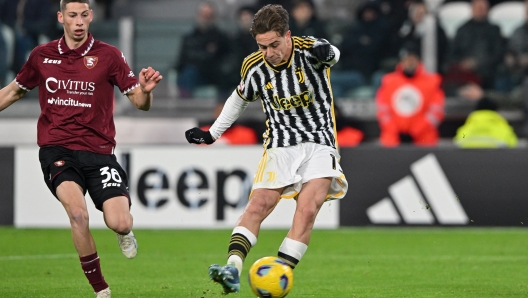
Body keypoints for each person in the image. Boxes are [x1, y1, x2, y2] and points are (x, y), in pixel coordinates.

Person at [0, 1, 162, 297]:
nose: (78, 22)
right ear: (61, 17)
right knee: (78, 214)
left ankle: (125, 233)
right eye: (72, 15)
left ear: (91, 16)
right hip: (57, 149)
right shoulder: (41, 56)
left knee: (119, 221)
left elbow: (139, 103)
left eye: (83, 15)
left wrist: (146, 93)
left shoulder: (109, 55)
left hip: (99, 152)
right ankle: (101, 289)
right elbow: (13, 91)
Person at [184, 4, 348, 295]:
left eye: (274, 44)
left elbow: (331, 52)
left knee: (308, 209)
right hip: (280, 144)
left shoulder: (309, 50)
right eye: (263, 46)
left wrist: (329, 53)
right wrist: (212, 134)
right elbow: (239, 98)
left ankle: (279, 274)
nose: (270, 52)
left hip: (320, 142)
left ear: (288, 35)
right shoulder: (254, 66)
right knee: (259, 204)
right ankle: (232, 269)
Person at [375, 42, 445, 147]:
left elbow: (435, 113)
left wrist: (414, 132)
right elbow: (383, 112)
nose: (409, 63)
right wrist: (396, 132)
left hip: (423, 142)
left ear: (418, 61)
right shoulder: (388, 81)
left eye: (412, 59)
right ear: (401, 61)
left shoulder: (432, 82)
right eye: (406, 59)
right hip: (393, 142)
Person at [444, 0, 504, 94]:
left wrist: (477, 63)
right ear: (472, 9)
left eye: (483, 8)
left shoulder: (494, 30)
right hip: (463, 76)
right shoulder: (462, 30)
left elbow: (498, 54)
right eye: (478, 8)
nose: (480, 11)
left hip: (488, 76)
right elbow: (452, 54)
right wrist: (463, 63)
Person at [174, 2, 231, 99]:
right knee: (187, 73)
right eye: (203, 15)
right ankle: (185, 107)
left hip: (215, 74)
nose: (206, 18)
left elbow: (225, 58)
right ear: (198, 16)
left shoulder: (221, 37)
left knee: (226, 75)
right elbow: (184, 59)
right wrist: (208, 54)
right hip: (196, 74)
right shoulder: (189, 38)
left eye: (209, 15)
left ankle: (223, 109)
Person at [0, 0, 56, 74]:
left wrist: (25, 27)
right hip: (9, 30)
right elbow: (3, 16)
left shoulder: (42, 2)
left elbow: (44, 24)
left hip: (31, 34)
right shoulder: (11, 1)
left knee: (22, 41)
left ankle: (19, 74)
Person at [454, 84, 518, 148]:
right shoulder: (501, 125)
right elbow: (512, 142)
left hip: (471, 157)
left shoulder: (469, 124)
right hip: (496, 157)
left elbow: (458, 140)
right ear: (495, 111)